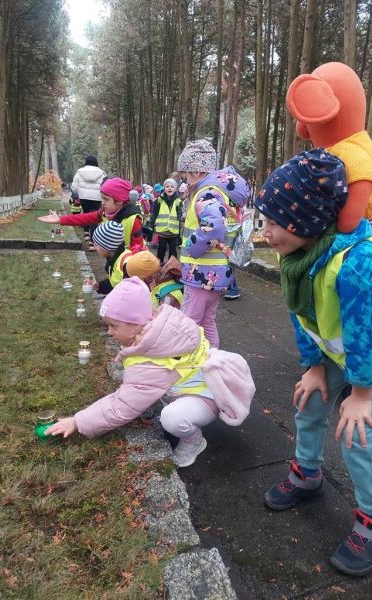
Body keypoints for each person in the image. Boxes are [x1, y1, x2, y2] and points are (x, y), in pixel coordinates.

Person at [253, 148, 372, 577]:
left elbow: (369, 334)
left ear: (306, 219)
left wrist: (361, 395)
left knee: (358, 436)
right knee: (309, 401)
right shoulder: (299, 253)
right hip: (344, 350)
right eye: (264, 221)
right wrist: (314, 366)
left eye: (273, 223)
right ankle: (307, 473)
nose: (265, 233)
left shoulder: (360, 262)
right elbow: (302, 313)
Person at [44, 277, 255, 467]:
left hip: (206, 396)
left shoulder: (151, 362)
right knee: (168, 404)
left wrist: (78, 421)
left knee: (172, 418)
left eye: (113, 326)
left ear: (136, 324)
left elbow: (122, 405)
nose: (109, 332)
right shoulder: (163, 328)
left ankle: (194, 441)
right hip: (207, 383)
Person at [177, 139, 249, 348]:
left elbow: (215, 226)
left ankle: (187, 360)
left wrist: (192, 247)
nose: (185, 180)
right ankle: (213, 358)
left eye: (185, 174)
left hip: (200, 272)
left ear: (196, 171)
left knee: (189, 321)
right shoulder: (222, 194)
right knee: (207, 320)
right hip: (216, 271)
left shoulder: (206, 193)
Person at [38, 177, 145, 254]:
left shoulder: (133, 220)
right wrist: (60, 220)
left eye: (106, 199)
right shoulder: (105, 213)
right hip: (114, 262)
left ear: (120, 201)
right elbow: (84, 218)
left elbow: (139, 249)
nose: (102, 203)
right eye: (102, 198)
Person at [71, 155, 106, 248]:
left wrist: (77, 194)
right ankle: (92, 242)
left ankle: (86, 232)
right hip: (97, 198)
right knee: (94, 217)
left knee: (86, 213)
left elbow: (74, 186)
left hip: (84, 197)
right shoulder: (102, 173)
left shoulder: (80, 171)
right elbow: (105, 185)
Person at [149, 178, 183, 264]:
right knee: (161, 250)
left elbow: (180, 216)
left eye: (172, 186)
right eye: (167, 186)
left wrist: (183, 220)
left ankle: (172, 268)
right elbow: (154, 214)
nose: (169, 188)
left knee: (173, 252)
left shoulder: (178, 201)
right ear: (164, 189)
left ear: (175, 189)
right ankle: (158, 266)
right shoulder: (159, 201)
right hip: (162, 231)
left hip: (173, 232)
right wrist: (150, 225)